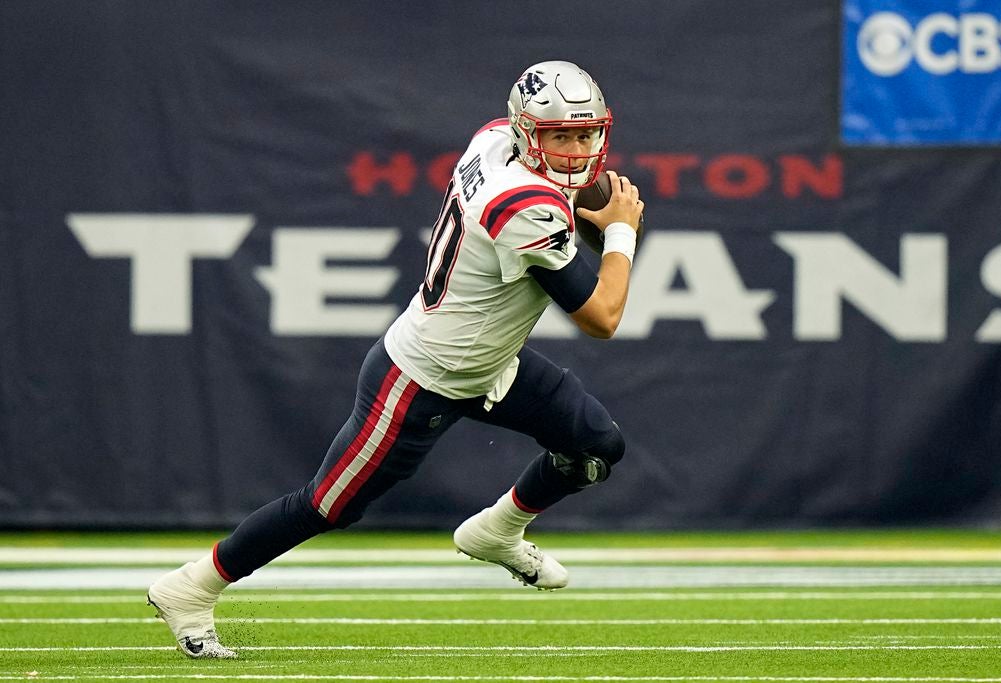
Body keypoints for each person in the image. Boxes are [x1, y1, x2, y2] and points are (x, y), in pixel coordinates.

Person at [147, 60, 645, 659]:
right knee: (328, 505)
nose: (576, 148)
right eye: (559, 135)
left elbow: (562, 216)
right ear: (525, 131)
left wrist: (593, 218)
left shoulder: (493, 140)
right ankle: (190, 588)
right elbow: (602, 318)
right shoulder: (521, 204)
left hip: (493, 363)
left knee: (596, 444)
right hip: (423, 375)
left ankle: (498, 530)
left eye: (586, 133)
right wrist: (620, 233)